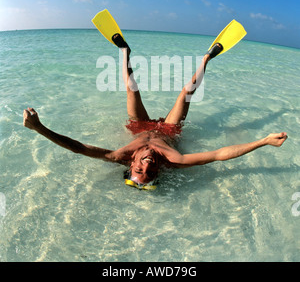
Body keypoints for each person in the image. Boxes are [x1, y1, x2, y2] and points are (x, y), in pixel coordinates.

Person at [23, 37, 288, 190]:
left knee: (131, 91)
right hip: (168, 131)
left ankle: (124, 52)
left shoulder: (120, 156)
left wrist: (40, 128)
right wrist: (263, 140)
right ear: (158, 172)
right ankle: (207, 58)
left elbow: (78, 148)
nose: (147, 163)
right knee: (186, 93)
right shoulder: (173, 158)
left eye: (140, 167)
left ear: (130, 164)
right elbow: (219, 155)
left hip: (140, 129)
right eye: (150, 170)